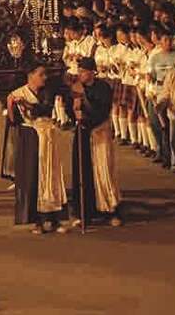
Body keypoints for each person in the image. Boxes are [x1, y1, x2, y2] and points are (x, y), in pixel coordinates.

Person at [7, 64, 68, 234]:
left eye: (45, 74)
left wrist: (27, 104)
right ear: (30, 75)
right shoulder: (18, 93)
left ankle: (54, 217)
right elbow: (13, 122)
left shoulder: (47, 91)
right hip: (29, 137)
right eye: (40, 74)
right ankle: (37, 220)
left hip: (47, 136)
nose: (44, 78)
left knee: (52, 177)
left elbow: (44, 110)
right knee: (33, 178)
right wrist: (11, 106)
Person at [70, 57, 122, 227]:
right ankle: (84, 211)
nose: (80, 75)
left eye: (83, 71)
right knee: (83, 171)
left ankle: (109, 209)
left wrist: (84, 103)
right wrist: (74, 109)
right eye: (79, 71)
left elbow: (102, 110)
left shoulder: (103, 88)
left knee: (103, 170)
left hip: (99, 131)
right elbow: (70, 110)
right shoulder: (76, 88)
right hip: (83, 132)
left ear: (92, 72)